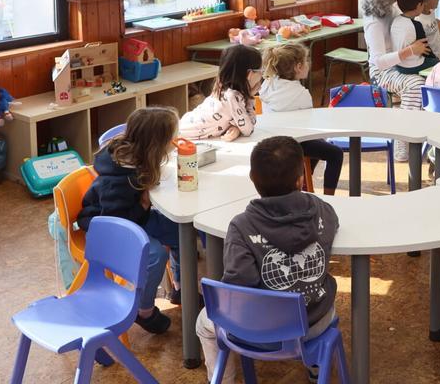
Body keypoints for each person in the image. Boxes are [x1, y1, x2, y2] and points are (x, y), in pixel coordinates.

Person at [195, 136, 339, 381]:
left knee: (204, 324)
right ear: (300, 179)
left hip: (256, 328)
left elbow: (239, 284)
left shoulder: (241, 226)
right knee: (329, 307)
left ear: (252, 179)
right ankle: (316, 369)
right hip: (313, 322)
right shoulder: (322, 210)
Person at [77, 106, 180, 334]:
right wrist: (144, 204)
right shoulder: (118, 179)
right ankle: (143, 310)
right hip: (107, 227)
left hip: (132, 216)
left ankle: (180, 288)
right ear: (155, 143)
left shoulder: (137, 159)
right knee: (155, 253)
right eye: (169, 139)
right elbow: (117, 220)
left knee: (181, 232)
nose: (173, 143)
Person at [359, 0, 428, 163]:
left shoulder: (391, 7)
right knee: (415, 85)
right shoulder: (374, 21)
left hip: (403, 62)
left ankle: (420, 133)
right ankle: (402, 139)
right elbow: (379, 62)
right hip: (383, 71)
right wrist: (410, 50)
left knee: (436, 77)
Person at [259, 43, 344, 195]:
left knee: (319, 143)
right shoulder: (301, 94)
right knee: (335, 153)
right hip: (292, 144)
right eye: (307, 61)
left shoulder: (268, 83)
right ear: (298, 67)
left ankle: (302, 182)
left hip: (269, 139)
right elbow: (308, 128)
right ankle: (327, 196)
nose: (308, 64)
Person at [179, 45, 262, 141]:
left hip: (184, 125)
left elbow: (240, 121)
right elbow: (249, 129)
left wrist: (236, 127)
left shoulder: (223, 88)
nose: (261, 74)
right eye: (260, 70)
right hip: (184, 134)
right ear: (250, 74)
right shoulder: (233, 97)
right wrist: (250, 98)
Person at [389, 0, 437, 75]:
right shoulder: (416, 25)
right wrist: (436, 59)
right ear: (419, 5)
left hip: (398, 64)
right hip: (412, 66)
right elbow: (426, 50)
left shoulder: (395, 20)